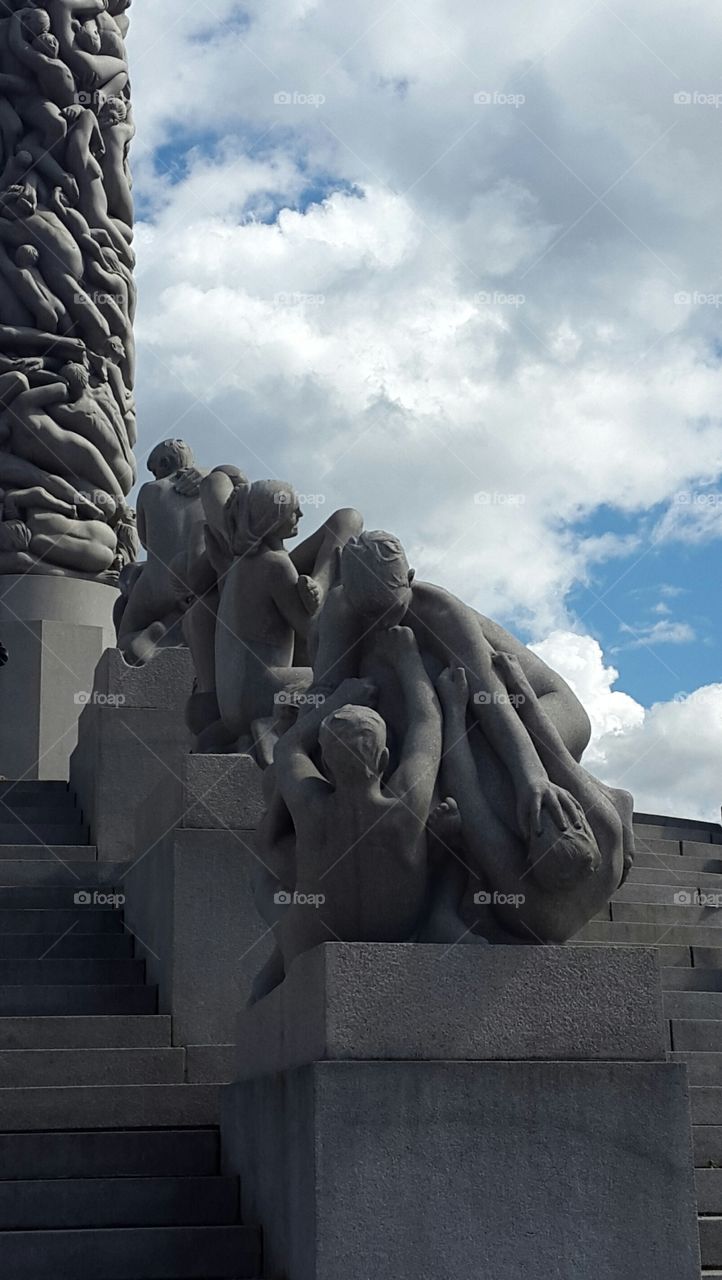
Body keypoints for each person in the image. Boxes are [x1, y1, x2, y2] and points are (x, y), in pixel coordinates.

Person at [255, 627, 442, 999]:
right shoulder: (406, 804)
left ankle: (261, 995)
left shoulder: (310, 804)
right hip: (397, 929)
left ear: (323, 760)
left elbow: (289, 745)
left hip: (312, 935)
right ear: (386, 760)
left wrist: (335, 701)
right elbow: (427, 722)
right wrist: (407, 658)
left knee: (264, 879)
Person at [423, 661, 626, 946]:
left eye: (539, 825)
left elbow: (464, 788)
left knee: (461, 830)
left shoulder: (521, 892)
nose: (551, 812)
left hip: (511, 912)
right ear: (583, 820)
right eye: (569, 819)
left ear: (527, 856)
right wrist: (519, 686)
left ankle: (441, 912)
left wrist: (454, 709)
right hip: (543, 745)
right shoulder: (608, 830)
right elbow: (553, 749)